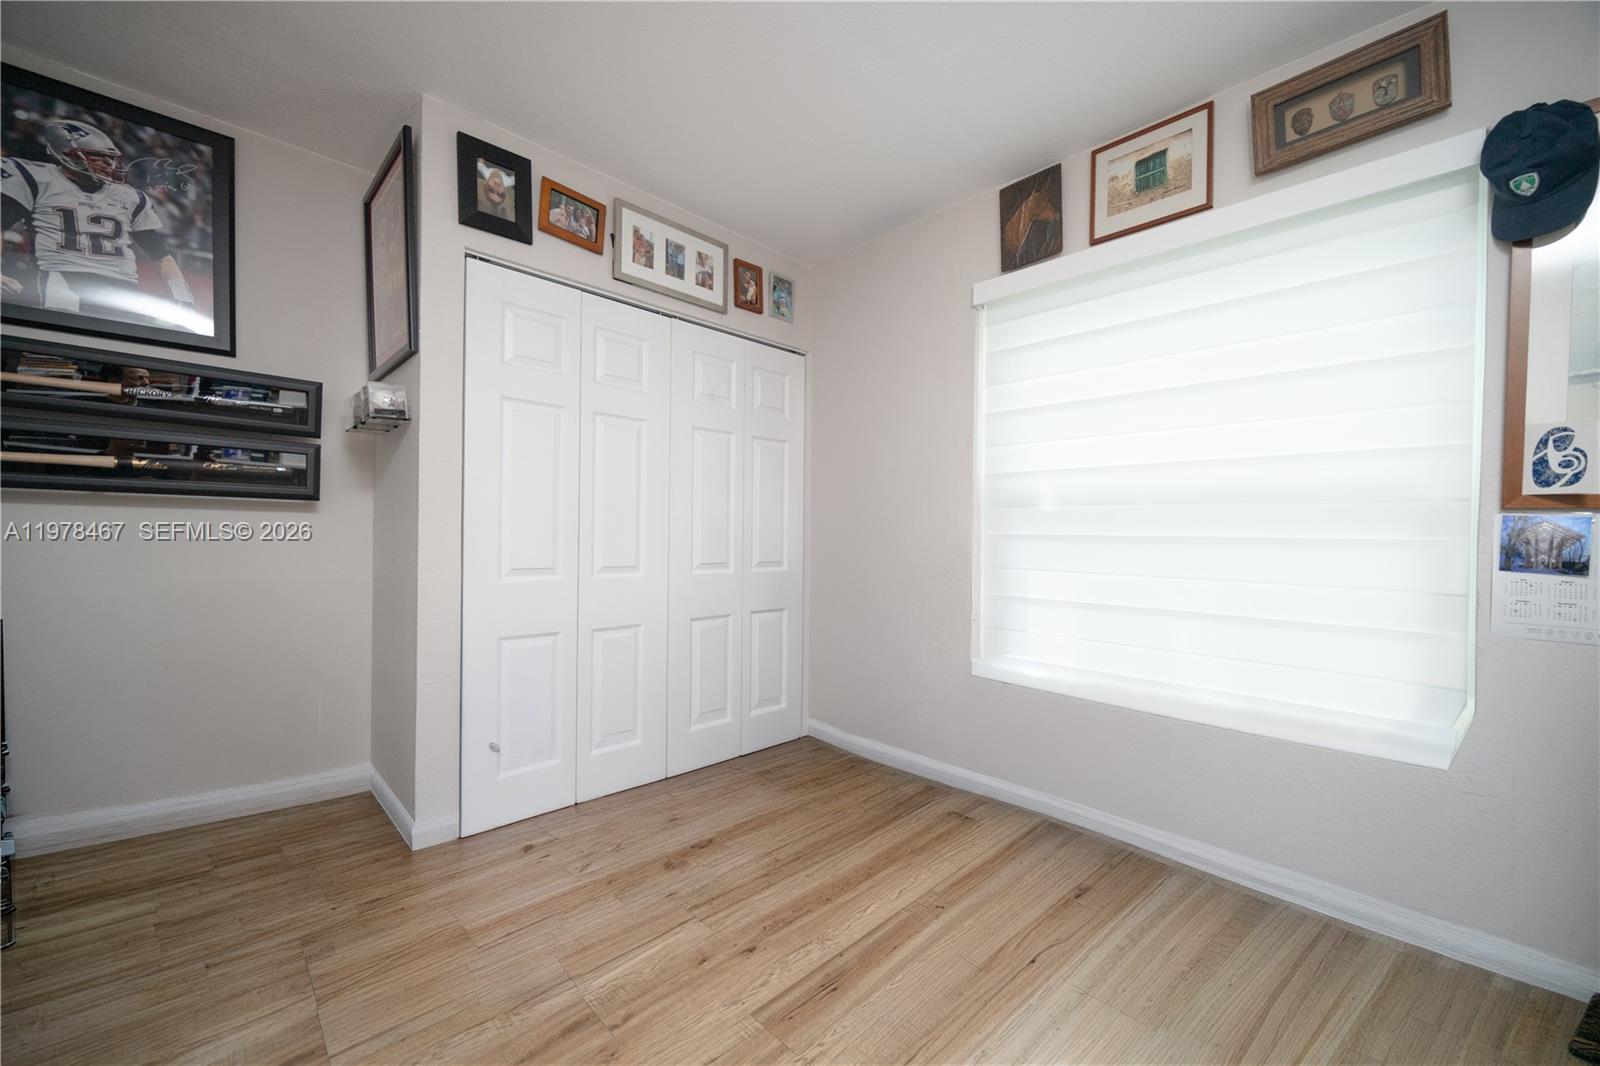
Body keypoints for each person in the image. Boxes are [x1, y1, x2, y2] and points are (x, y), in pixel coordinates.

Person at [1, 119, 197, 325]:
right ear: (66, 154)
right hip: (63, 277)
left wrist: (182, 295)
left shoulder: (128, 196)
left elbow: (161, 255)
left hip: (123, 285)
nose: (108, 164)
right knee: (64, 337)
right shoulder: (38, 179)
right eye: (97, 157)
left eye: (110, 159)